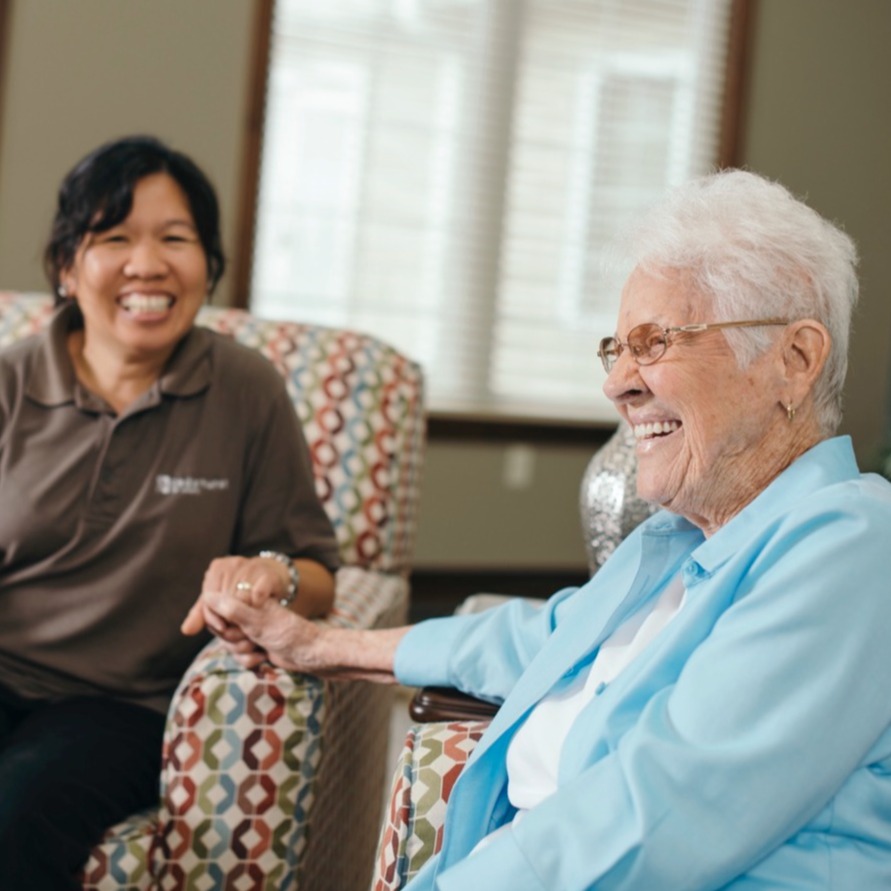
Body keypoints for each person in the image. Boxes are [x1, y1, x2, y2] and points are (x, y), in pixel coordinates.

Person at [196, 169, 891, 890]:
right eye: (614, 348)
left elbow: (655, 811)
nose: (616, 382)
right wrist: (318, 644)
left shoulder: (851, 543)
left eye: (653, 342)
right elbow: (546, 637)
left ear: (793, 361)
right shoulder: (684, 541)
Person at [0, 135, 340, 889]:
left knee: (17, 812)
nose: (147, 264)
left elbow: (318, 575)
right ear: (66, 266)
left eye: (175, 239)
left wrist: (269, 574)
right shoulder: (10, 382)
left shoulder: (245, 390)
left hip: (118, 705)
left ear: (207, 265)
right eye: (113, 238)